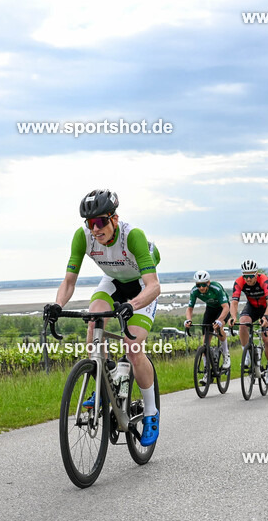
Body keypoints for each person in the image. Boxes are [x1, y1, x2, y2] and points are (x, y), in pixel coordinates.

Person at [46, 189, 161, 446]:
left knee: (132, 347)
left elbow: (154, 286)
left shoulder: (133, 237)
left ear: (114, 219)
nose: (95, 229)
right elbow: (69, 281)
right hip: (112, 281)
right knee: (94, 319)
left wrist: (132, 305)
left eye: (100, 222)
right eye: (90, 223)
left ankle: (151, 412)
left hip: (141, 287)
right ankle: (103, 381)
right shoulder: (83, 237)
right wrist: (57, 304)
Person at [230, 260, 268, 384]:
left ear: (256, 274)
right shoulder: (239, 282)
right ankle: (247, 355)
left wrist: (266, 317)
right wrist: (233, 317)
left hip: (266, 308)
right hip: (252, 307)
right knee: (243, 322)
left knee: (267, 339)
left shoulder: (264, 280)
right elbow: (234, 302)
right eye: (246, 276)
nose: (248, 279)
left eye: (251, 276)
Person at [184, 270, 232, 374]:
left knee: (218, 327)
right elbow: (189, 308)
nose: (201, 287)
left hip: (223, 308)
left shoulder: (216, 288)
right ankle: (207, 371)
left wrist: (219, 321)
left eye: (203, 284)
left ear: (208, 283)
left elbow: (226, 307)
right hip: (210, 309)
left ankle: (226, 355)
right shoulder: (194, 291)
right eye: (198, 285)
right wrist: (188, 320)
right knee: (205, 343)